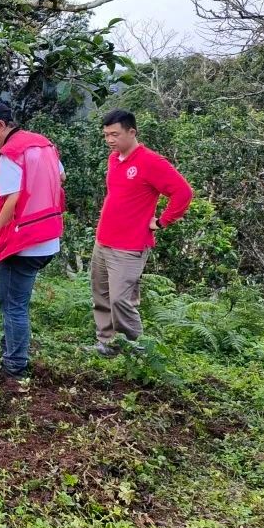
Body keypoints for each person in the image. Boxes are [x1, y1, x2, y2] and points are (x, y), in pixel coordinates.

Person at [0, 102, 65, 390]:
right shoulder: (43, 144)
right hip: (48, 237)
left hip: (23, 242)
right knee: (12, 300)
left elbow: (13, 198)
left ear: (0, 124)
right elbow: (61, 176)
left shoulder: (11, 153)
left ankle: (15, 369)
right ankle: (10, 351)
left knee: (13, 306)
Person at [86, 109, 193, 357]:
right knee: (101, 296)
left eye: (115, 134)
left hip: (130, 245)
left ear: (132, 132)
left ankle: (137, 351)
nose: (109, 140)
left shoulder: (151, 161)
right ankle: (106, 344)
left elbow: (183, 192)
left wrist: (163, 221)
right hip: (104, 240)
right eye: (106, 135)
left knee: (120, 300)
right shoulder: (114, 159)